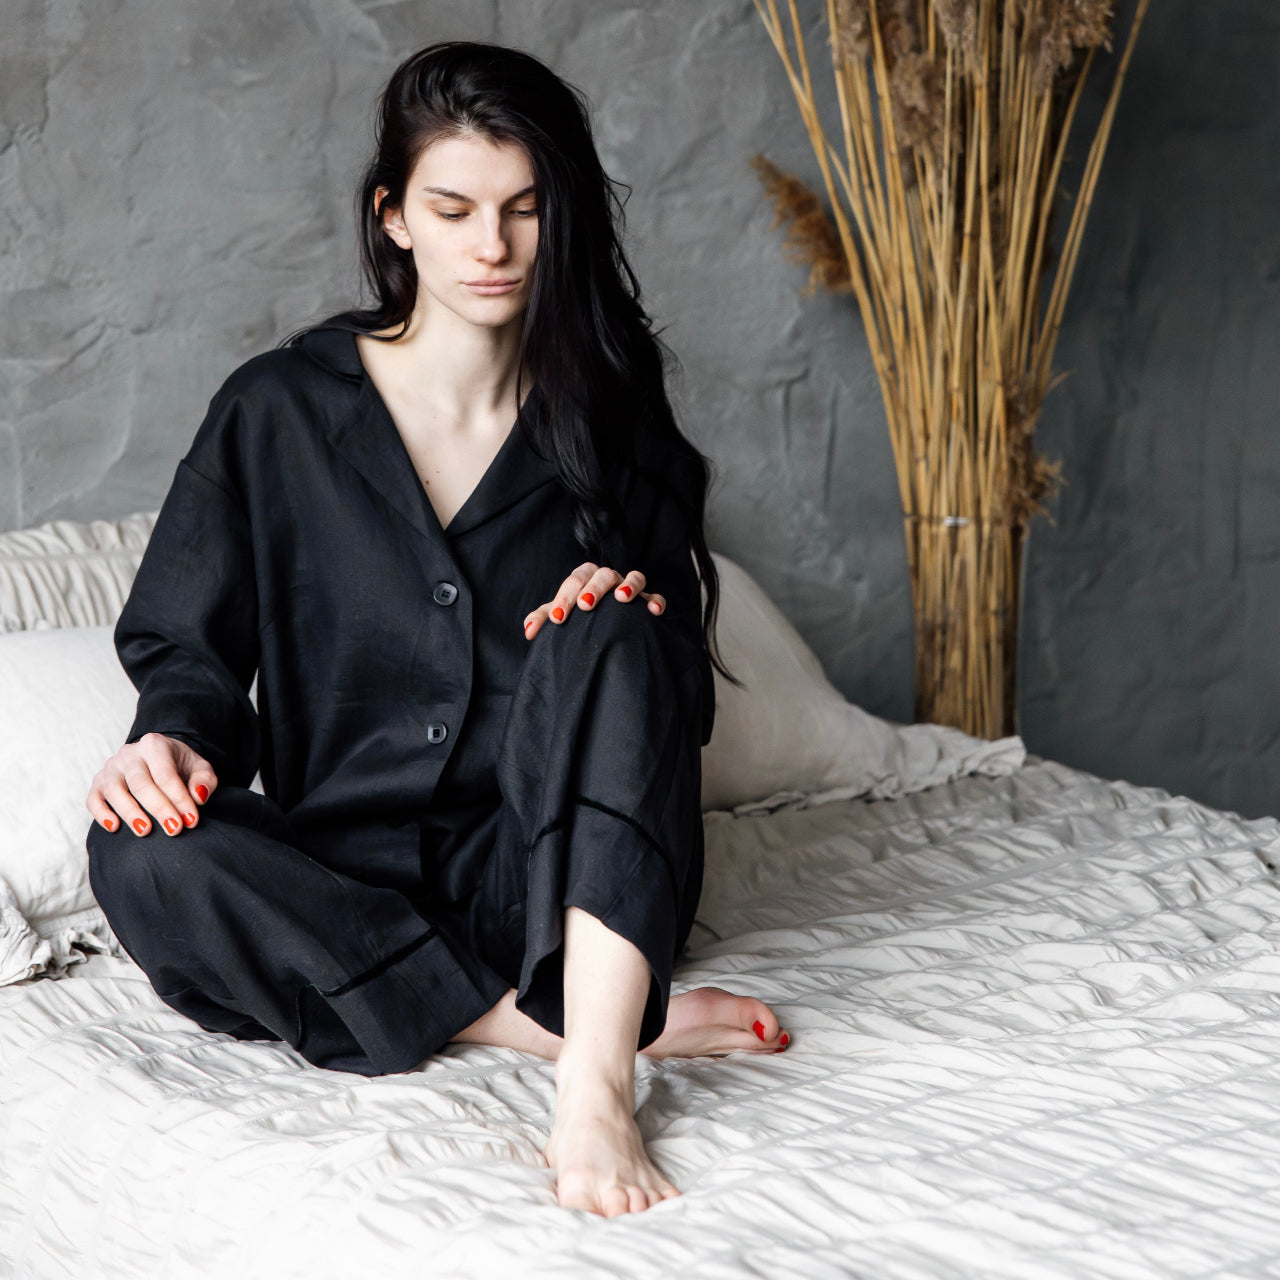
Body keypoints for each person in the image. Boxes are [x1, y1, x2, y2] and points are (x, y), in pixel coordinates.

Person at [83, 40, 789, 1218]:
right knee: (135, 847)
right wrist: (169, 741)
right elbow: (187, 651)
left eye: (524, 208)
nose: (491, 245)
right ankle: (536, 1019)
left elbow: (670, 707)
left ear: (561, 215)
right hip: (336, 877)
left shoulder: (612, 421)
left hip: (553, 878)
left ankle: (595, 1084)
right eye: (453, 209)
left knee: (615, 623)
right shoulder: (277, 411)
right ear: (393, 216)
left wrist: (615, 617)